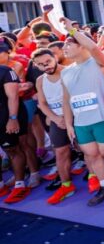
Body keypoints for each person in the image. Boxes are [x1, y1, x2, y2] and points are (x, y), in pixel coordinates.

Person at [59, 17, 104, 206]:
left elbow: (94, 48)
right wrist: (69, 125)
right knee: (91, 155)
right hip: (82, 123)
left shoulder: (98, 62)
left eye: (69, 44)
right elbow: (66, 100)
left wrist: (72, 30)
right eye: (64, 45)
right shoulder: (65, 72)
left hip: (103, 117)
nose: (64, 48)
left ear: (82, 46)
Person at [32, 48, 76, 205]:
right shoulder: (40, 80)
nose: (46, 66)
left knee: (88, 150)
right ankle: (66, 186)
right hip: (57, 120)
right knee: (61, 153)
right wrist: (55, 118)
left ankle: (96, 178)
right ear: (36, 66)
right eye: (41, 64)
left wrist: (68, 118)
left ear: (55, 58)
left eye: (48, 61)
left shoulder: (70, 72)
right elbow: (42, 104)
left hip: (76, 116)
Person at [0, 38, 30, 203]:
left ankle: (20, 185)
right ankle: (1, 185)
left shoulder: (5, 70)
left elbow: (13, 97)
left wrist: (12, 118)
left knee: (13, 149)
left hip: (6, 116)